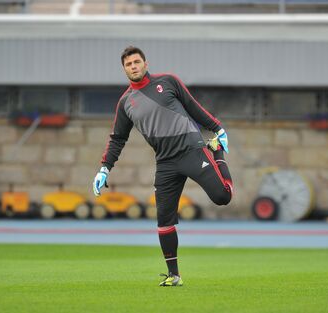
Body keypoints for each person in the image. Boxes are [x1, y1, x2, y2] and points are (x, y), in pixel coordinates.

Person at [93, 46, 233, 287]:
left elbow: (193, 107)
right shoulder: (126, 102)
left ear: (146, 63)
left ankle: (216, 153)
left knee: (223, 196)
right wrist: (105, 168)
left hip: (192, 149)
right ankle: (174, 275)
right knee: (164, 220)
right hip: (166, 162)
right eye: (128, 64)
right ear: (124, 69)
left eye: (137, 62)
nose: (133, 66)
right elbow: (117, 138)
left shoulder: (168, 81)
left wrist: (218, 128)